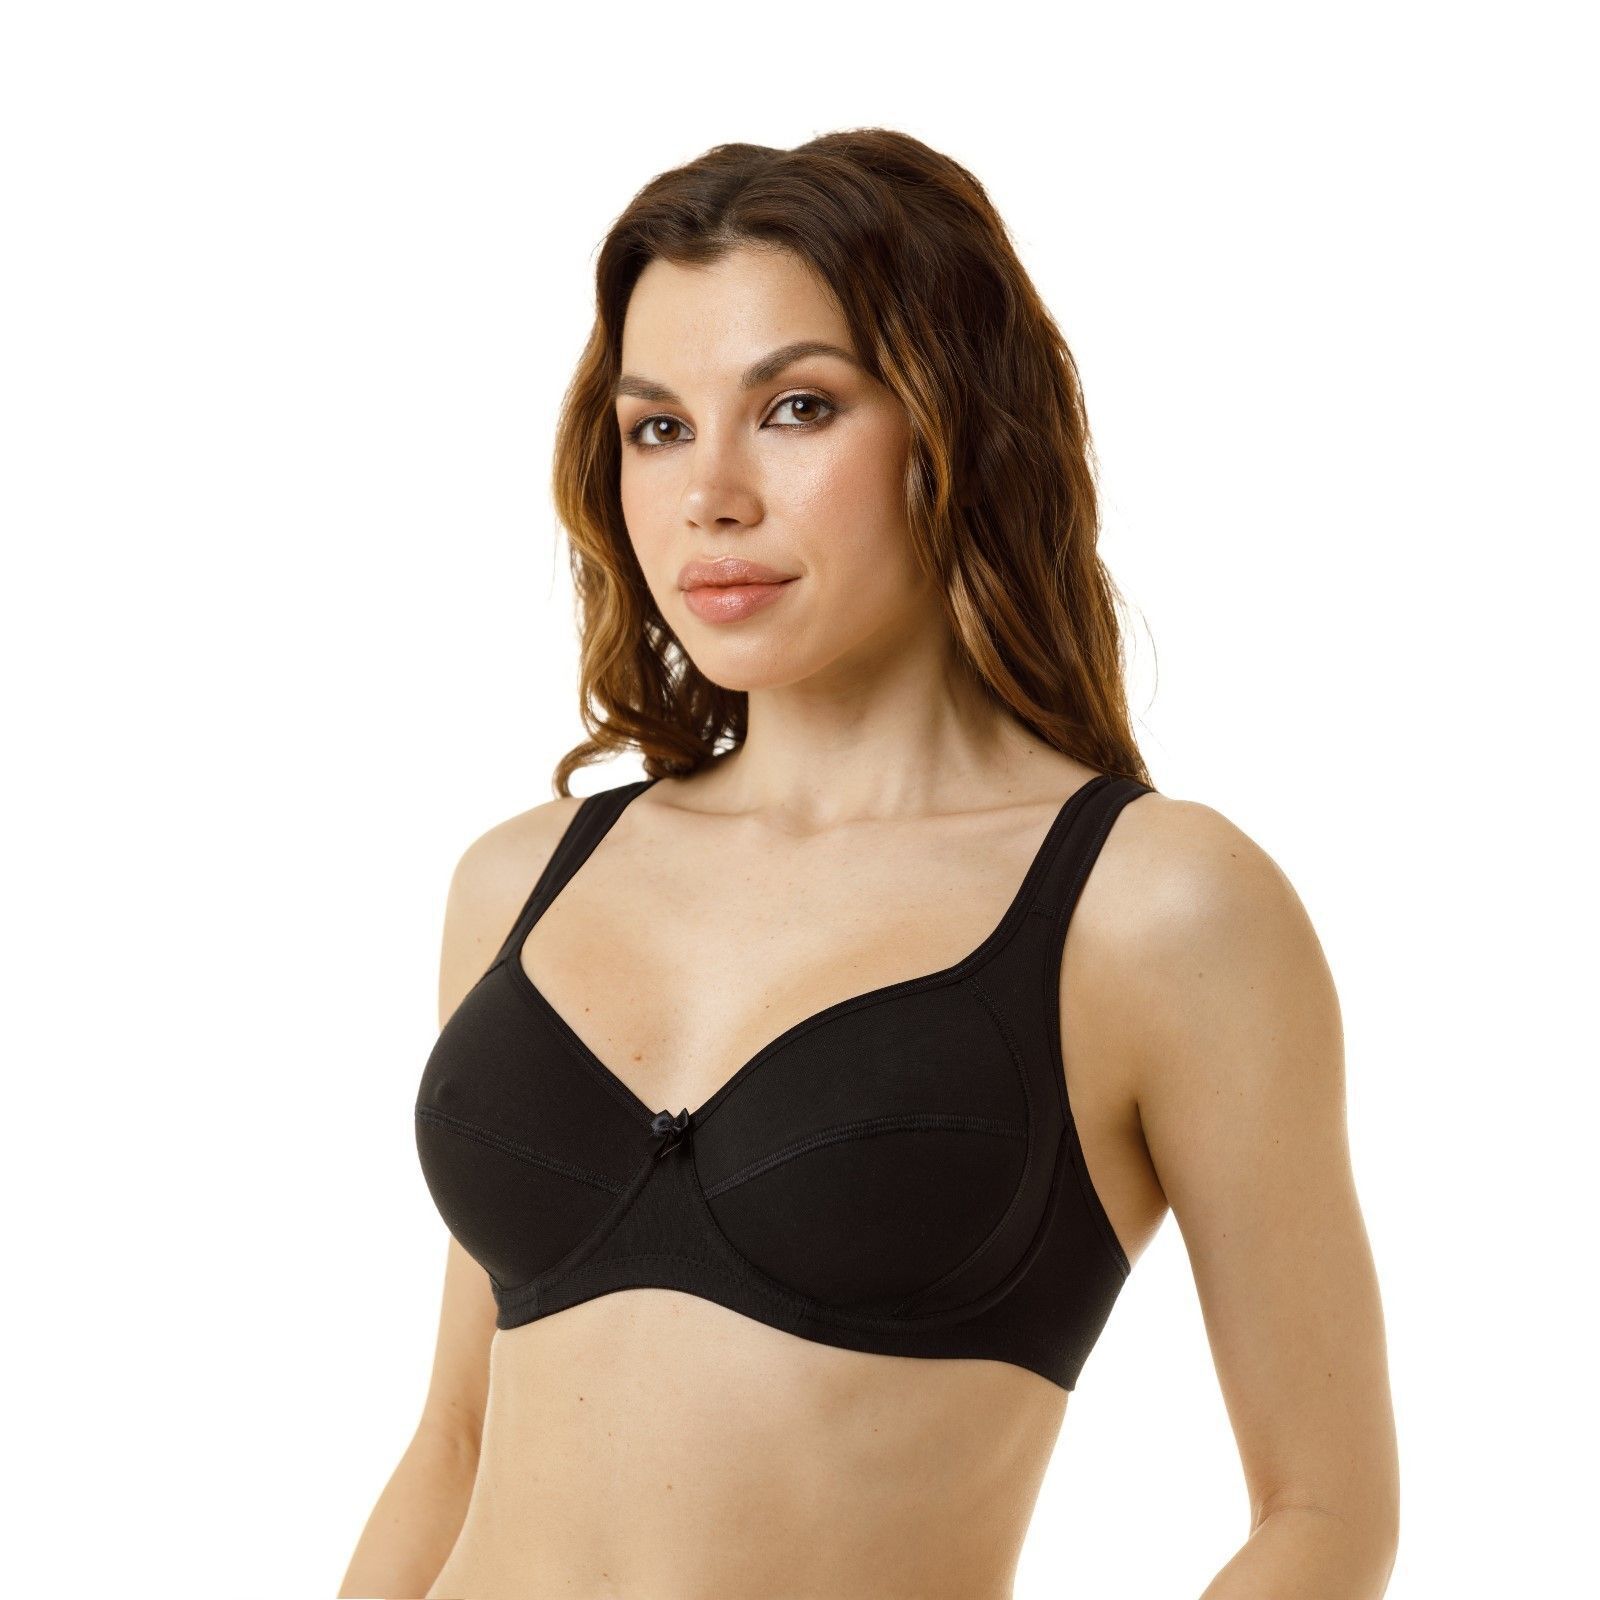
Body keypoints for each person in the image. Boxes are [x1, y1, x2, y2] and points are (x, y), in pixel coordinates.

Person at [340, 128, 1399, 1600]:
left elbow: (1326, 1514)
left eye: (797, 407)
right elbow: (453, 1444)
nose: (712, 492)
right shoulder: (523, 882)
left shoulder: (1151, 908)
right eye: (658, 427)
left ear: (957, 428)